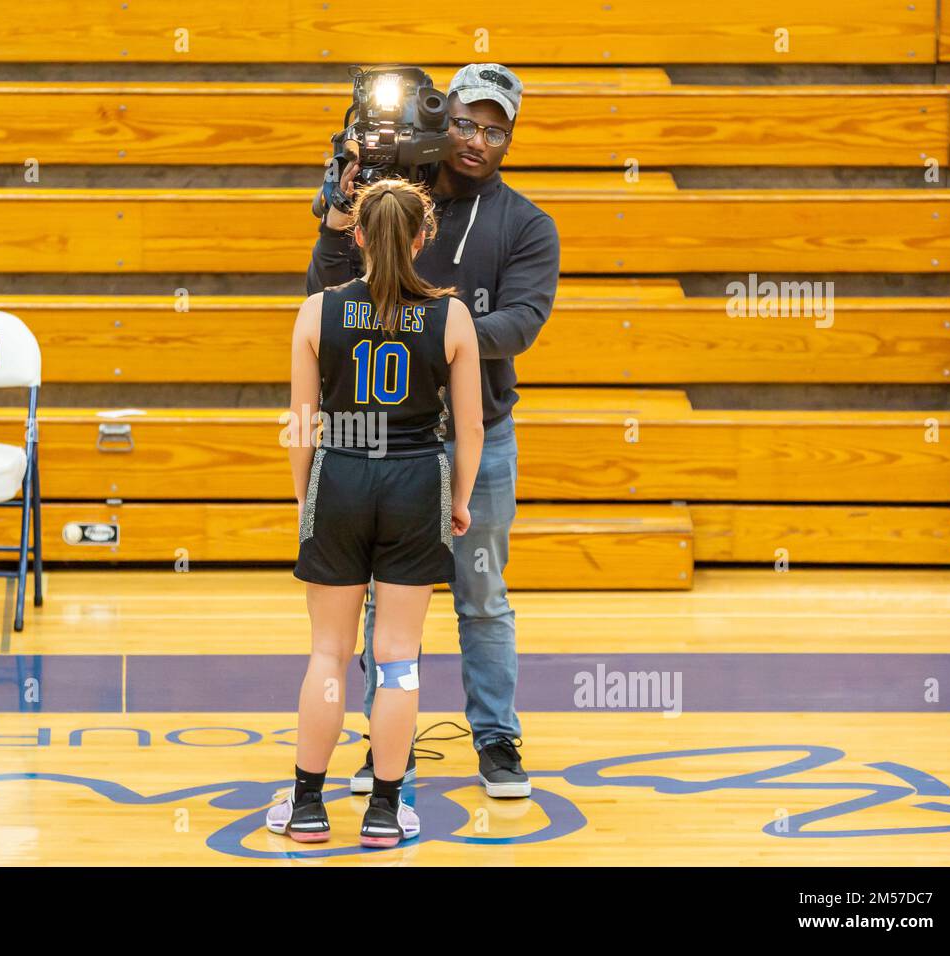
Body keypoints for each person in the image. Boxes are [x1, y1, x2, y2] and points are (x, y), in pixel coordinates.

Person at [307, 64, 560, 798]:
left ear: (510, 138)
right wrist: (335, 211)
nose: (477, 139)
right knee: (386, 605)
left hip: (481, 438)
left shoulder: (526, 223)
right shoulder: (385, 201)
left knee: (481, 596)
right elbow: (325, 293)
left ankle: (497, 740)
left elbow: (522, 325)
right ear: (440, 119)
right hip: (389, 444)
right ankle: (390, 746)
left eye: (495, 128)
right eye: (466, 123)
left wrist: (431, 332)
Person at [269, 178, 484, 847]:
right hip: (417, 480)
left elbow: (302, 425)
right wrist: (459, 500)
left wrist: (309, 497)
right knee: (397, 659)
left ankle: (307, 807)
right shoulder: (451, 318)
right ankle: (386, 812)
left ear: (356, 236)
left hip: (342, 475)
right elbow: (470, 430)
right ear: (424, 238)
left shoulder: (317, 311)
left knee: (329, 654)